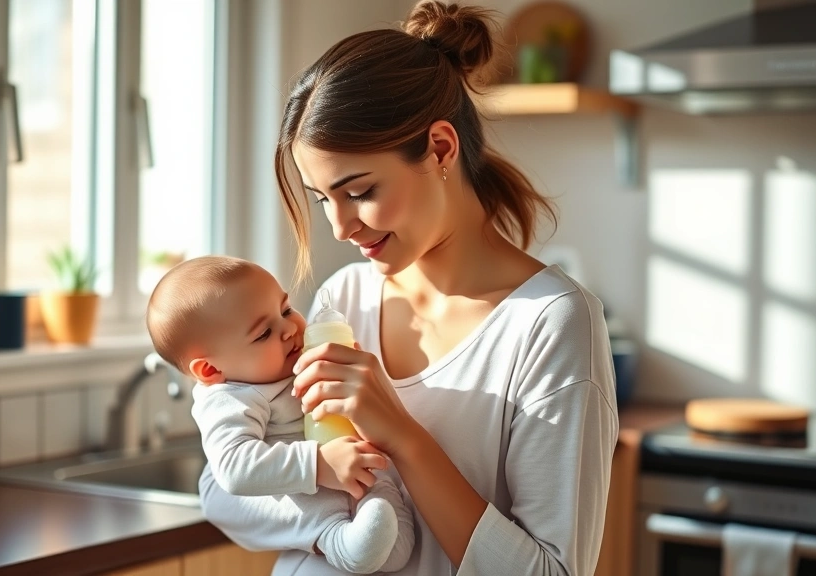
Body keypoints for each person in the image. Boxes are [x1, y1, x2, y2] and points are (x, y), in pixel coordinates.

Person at [198, 1, 620, 575]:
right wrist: (330, 527)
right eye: (323, 199)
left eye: (359, 190)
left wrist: (403, 436)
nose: (340, 227)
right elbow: (223, 492)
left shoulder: (550, 324)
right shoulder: (340, 301)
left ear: (441, 148)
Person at [146, 256, 415, 574]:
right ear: (211, 369)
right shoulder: (229, 397)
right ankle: (337, 541)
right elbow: (235, 468)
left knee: (382, 496)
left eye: (286, 309)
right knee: (306, 508)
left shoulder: (289, 362)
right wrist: (318, 464)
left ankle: (386, 544)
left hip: (349, 471)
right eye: (263, 334)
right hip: (309, 490)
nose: (290, 328)